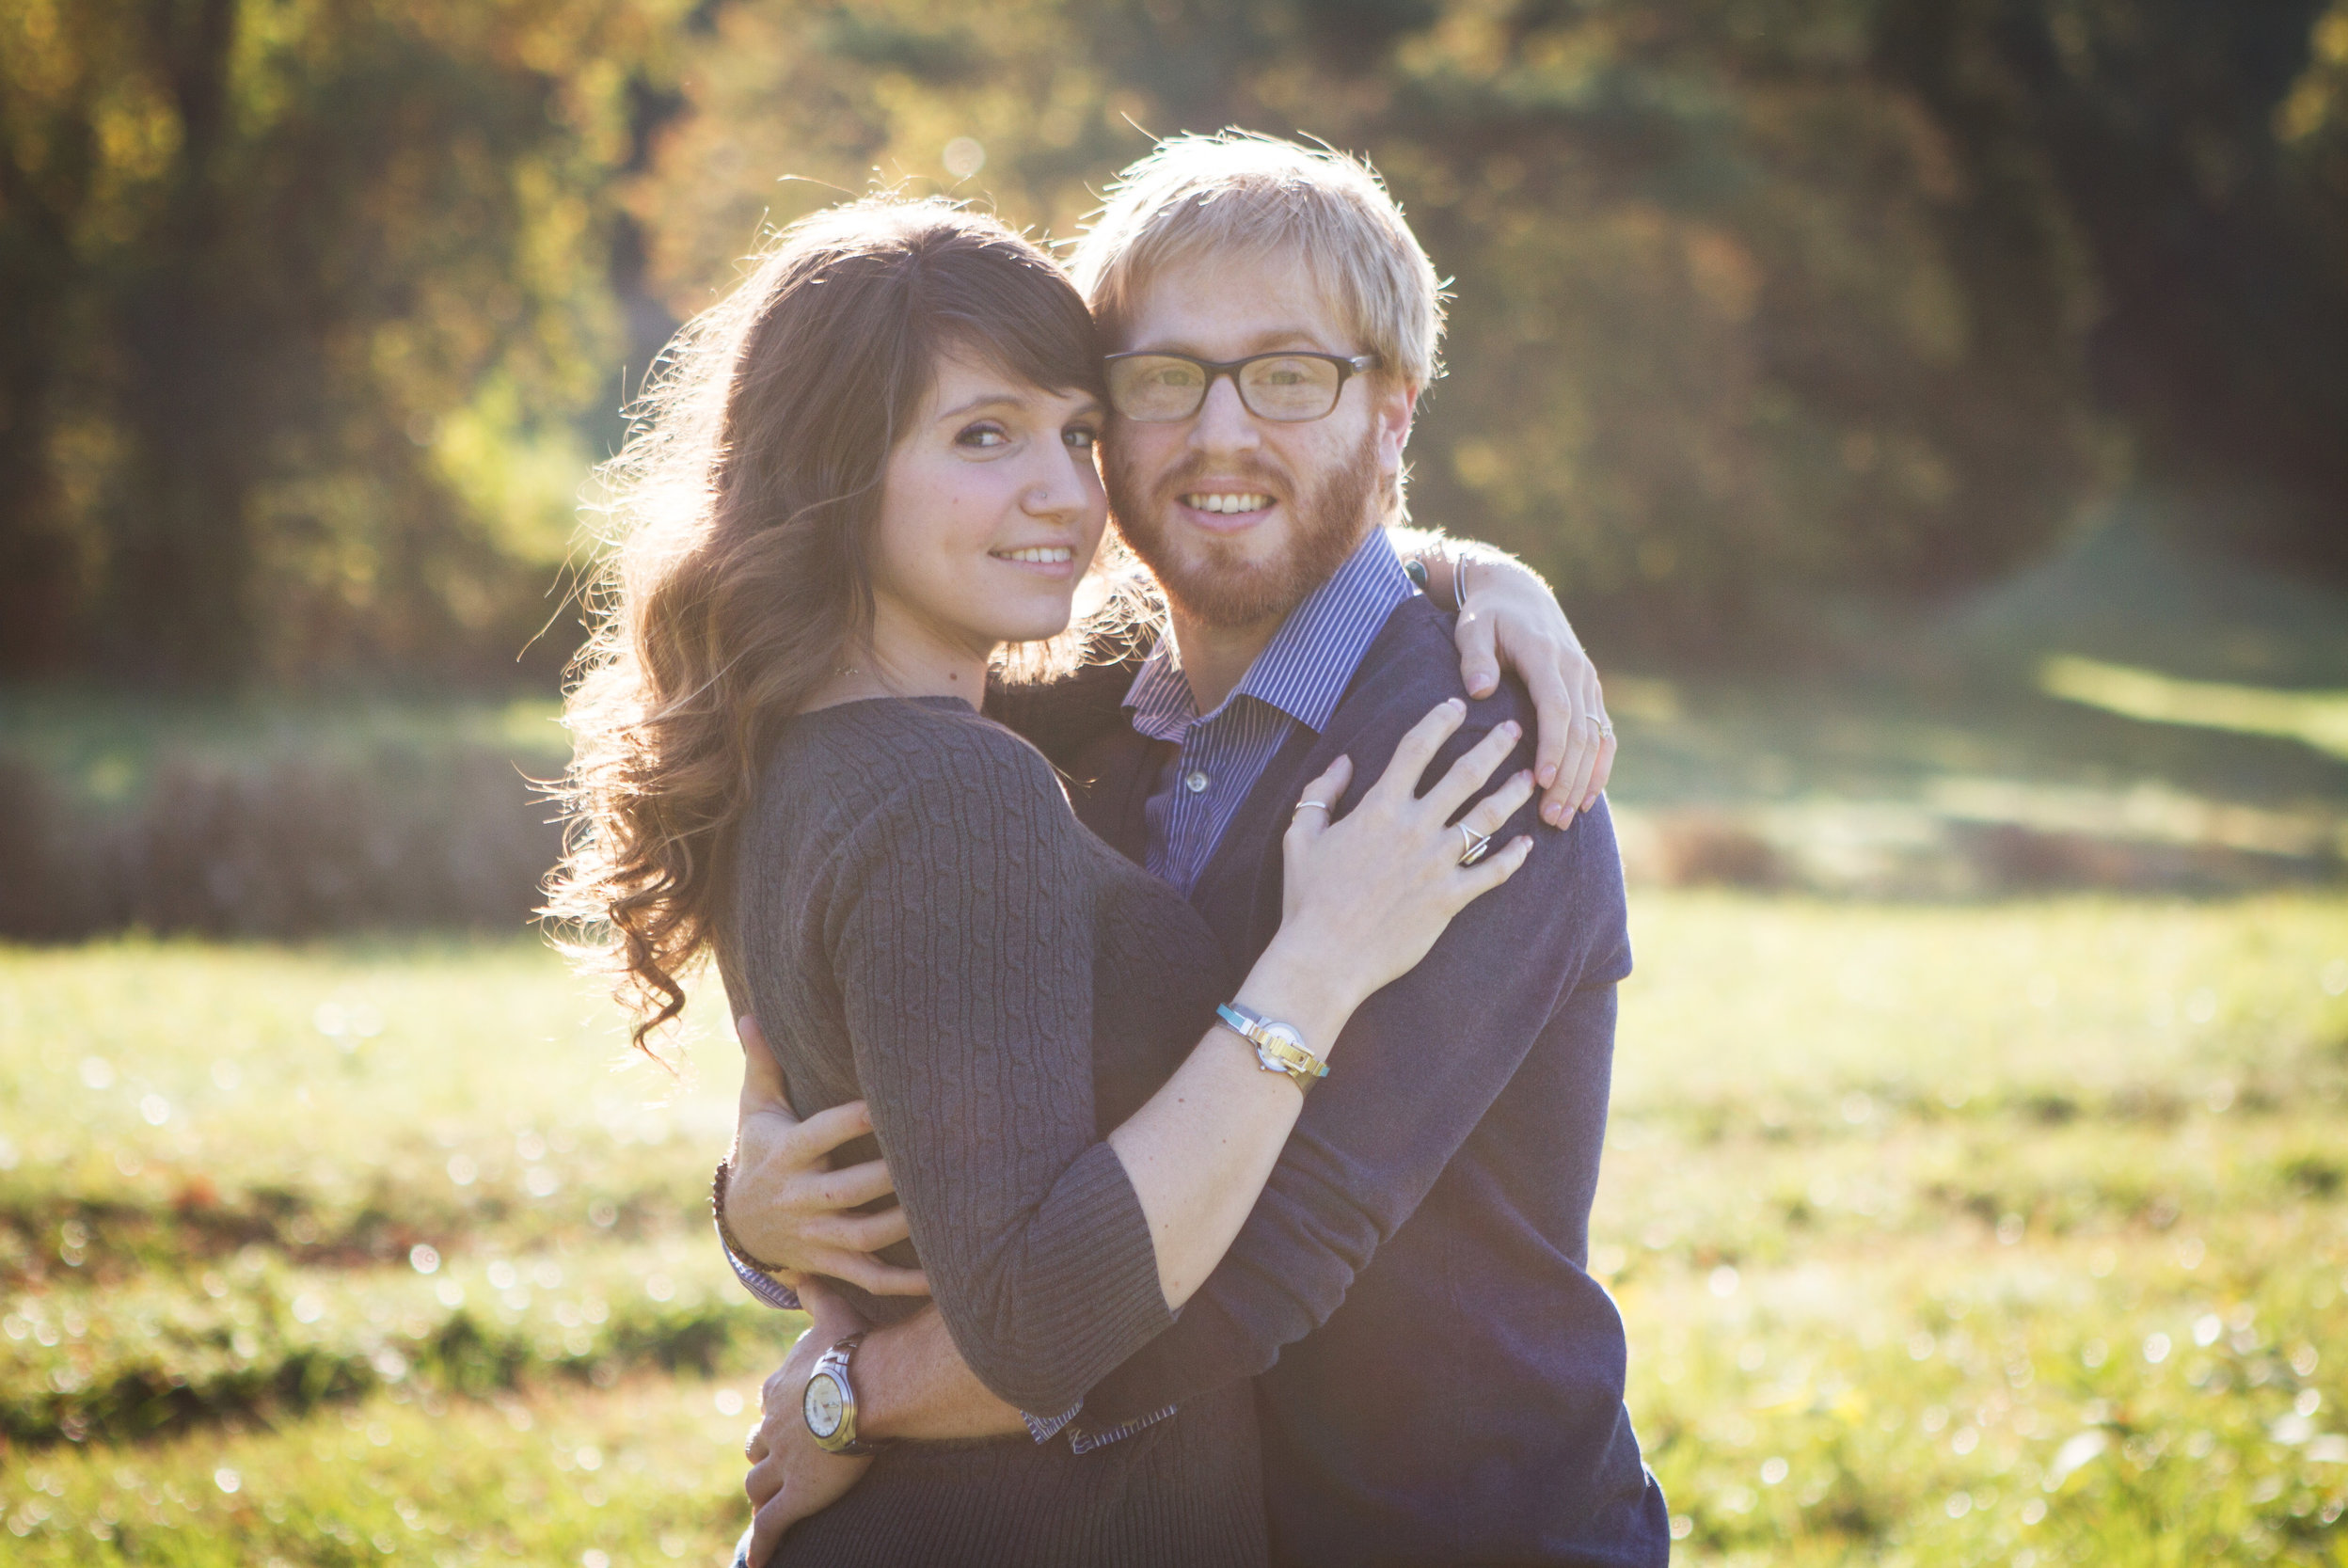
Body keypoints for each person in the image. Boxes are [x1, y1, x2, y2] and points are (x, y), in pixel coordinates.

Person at [547, 194, 1584, 1568]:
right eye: (1151, 388)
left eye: (1074, 432)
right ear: (833, 468)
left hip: (1449, 1531)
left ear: (1393, 411)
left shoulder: (1463, 742)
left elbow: (1268, 1240)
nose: (1067, 490)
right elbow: (1026, 1281)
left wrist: (856, 1392)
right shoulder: (999, 756)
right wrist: (754, 1223)